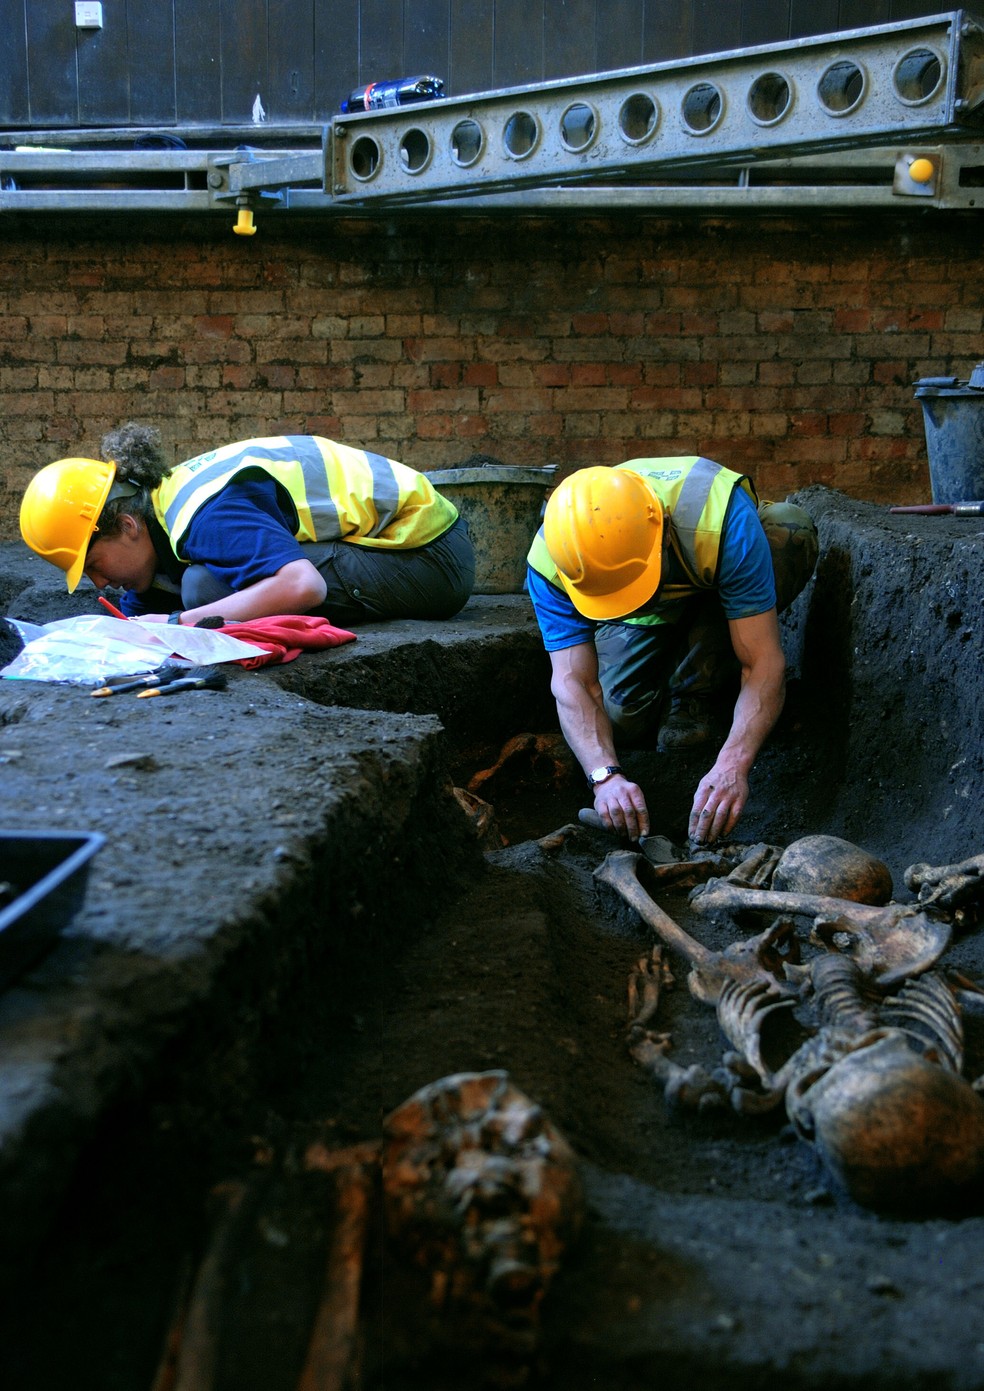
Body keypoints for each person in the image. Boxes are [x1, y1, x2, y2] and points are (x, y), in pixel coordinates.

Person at [526, 457, 818, 846]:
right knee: (619, 722)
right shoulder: (554, 558)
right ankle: (668, 659)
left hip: (713, 587)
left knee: (788, 530)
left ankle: (696, 691)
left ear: (662, 534)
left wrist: (733, 765)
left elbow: (763, 662)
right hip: (640, 616)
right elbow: (572, 681)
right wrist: (604, 777)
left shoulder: (722, 520)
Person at [18, 424, 475, 628]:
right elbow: (144, 606)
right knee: (192, 587)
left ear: (126, 525)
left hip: (430, 557)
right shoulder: (158, 514)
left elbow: (304, 586)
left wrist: (180, 621)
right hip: (401, 549)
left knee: (204, 591)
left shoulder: (204, 515)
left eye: (94, 563)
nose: (98, 582)